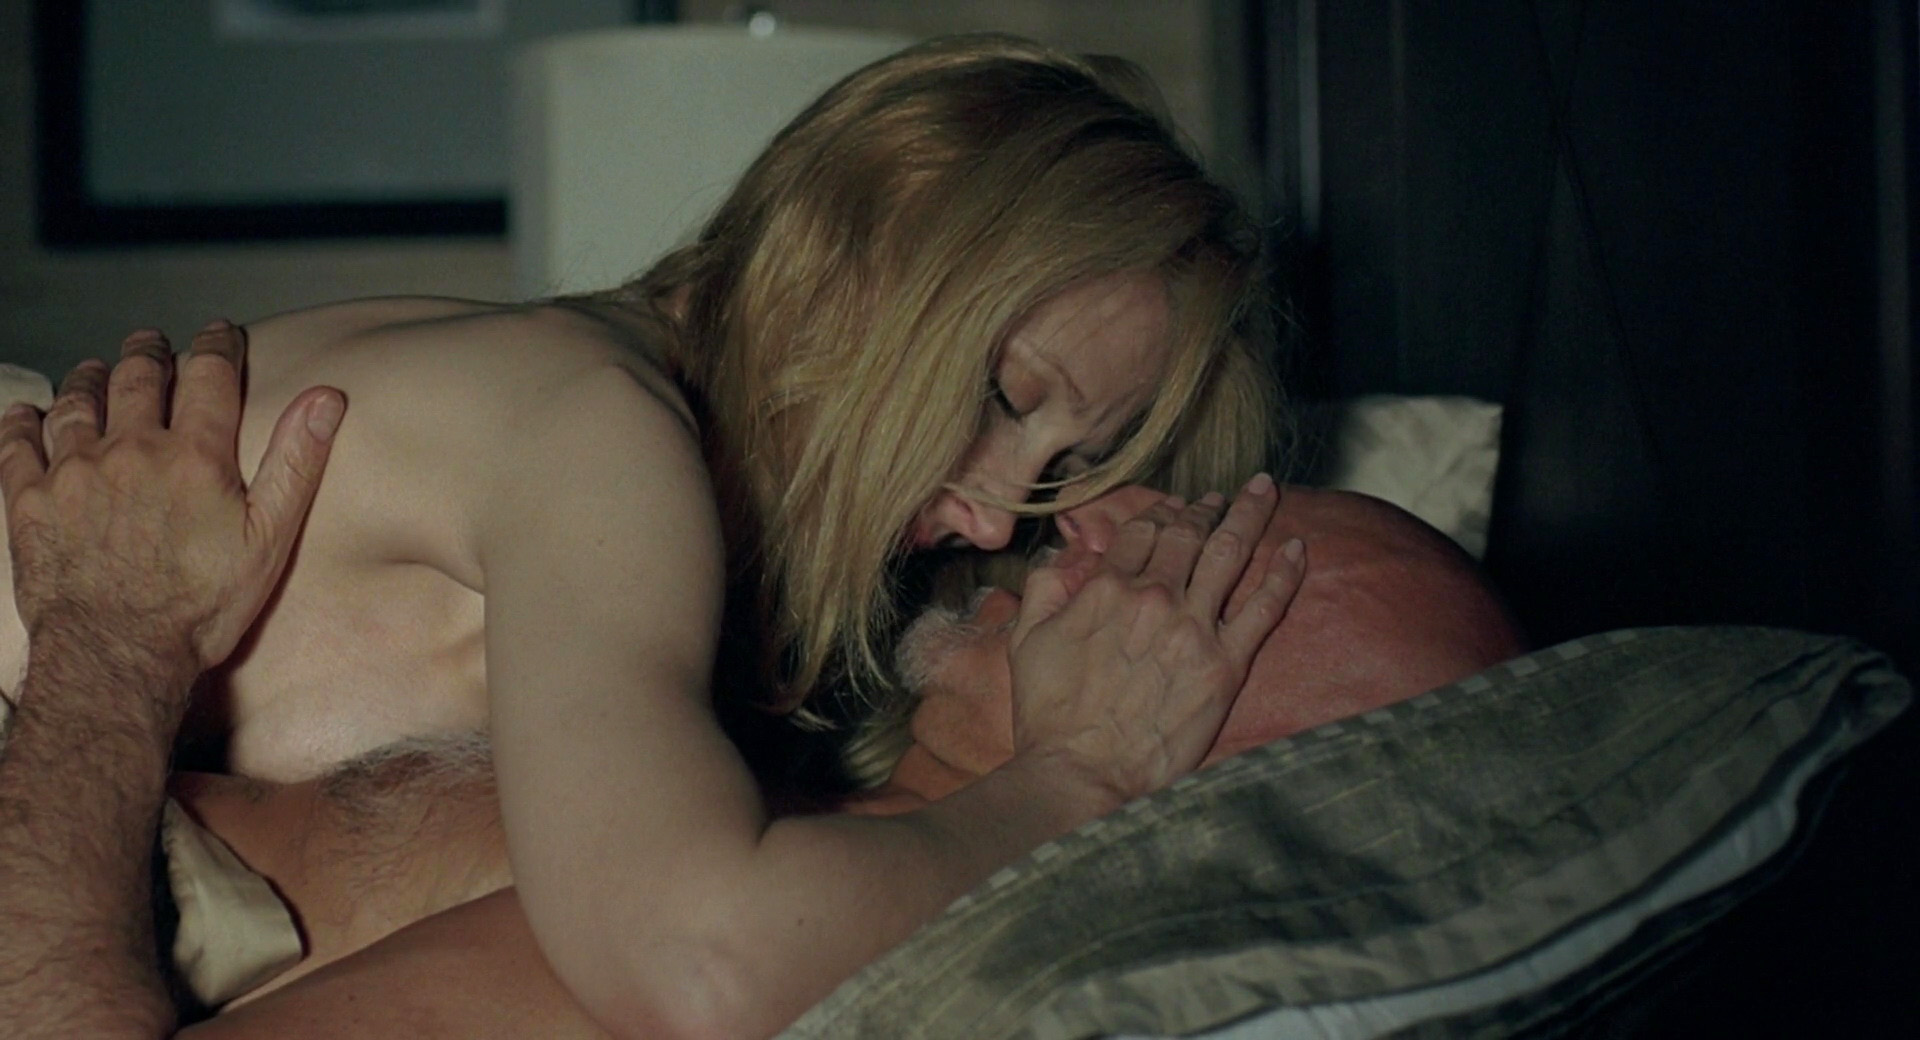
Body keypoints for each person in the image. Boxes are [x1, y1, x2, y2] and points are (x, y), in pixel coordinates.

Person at [1, 34, 1298, 1038]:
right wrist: (1078, 781)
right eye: (1003, 399)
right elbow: (704, 960)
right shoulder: (595, 429)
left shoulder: (605, 432)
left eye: (1062, 473)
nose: (998, 516)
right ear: (872, 263)